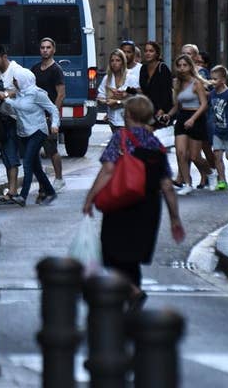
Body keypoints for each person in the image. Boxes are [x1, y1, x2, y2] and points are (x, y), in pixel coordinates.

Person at [82, 95, 185, 311]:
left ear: (127, 114)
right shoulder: (156, 144)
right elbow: (166, 184)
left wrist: (90, 198)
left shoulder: (121, 138)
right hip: (148, 208)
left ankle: (132, 292)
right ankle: (132, 304)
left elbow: (108, 170)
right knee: (133, 259)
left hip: (121, 205)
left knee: (111, 254)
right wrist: (175, 218)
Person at [0, 68, 60, 206]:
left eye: (16, 79)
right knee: (36, 167)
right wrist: (0, 95)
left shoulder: (38, 94)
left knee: (27, 162)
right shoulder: (20, 94)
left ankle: (23, 196)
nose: (14, 82)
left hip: (38, 131)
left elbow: (53, 109)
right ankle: (51, 192)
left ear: (23, 79)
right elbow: (14, 104)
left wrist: (55, 124)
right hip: (24, 133)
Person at [166, 54, 212, 193]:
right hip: (182, 117)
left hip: (196, 117)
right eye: (179, 65)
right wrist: (168, 115)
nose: (181, 68)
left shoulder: (196, 83)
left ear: (190, 66)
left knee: (195, 156)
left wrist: (193, 119)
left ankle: (211, 172)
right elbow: (177, 105)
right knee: (180, 153)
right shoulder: (177, 83)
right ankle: (187, 184)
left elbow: (204, 105)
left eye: (184, 65)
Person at [0, 44, 24, 205]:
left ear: (4, 56)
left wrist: (6, 94)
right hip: (1, 119)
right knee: (7, 156)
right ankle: (12, 191)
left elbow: (23, 90)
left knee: (12, 154)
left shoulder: (16, 71)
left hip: (15, 119)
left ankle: (14, 192)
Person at [30, 37, 66, 192]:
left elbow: (61, 94)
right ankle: (40, 179)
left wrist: (54, 116)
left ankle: (59, 178)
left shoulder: (56, 70)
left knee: (51, 149)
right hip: (35, 115)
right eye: (42, 47)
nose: (45, 50)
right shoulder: (35, 68)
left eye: (48, 47)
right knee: (33, 148)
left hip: (49, 115)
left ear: (53, 50)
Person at [96, 48, 138, 132]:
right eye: (112, 61)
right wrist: (106, 100)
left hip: (127, 121)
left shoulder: (130, 78)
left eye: (118, 60)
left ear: (123, 62)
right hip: (113, 120)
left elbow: (136, 100)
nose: (114, 63)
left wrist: (117, 102)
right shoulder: (107, 78)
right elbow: (100, 96)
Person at [138, 41, 173, 127]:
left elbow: (167, 92)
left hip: (161, 110)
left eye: (151, 51)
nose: (148, 53)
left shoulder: (162, 68)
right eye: (146, 51)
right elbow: (144, 90)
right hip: (147, 109)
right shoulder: (143, 68)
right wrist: (128, 90)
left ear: (157, 53)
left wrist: (162, 109)